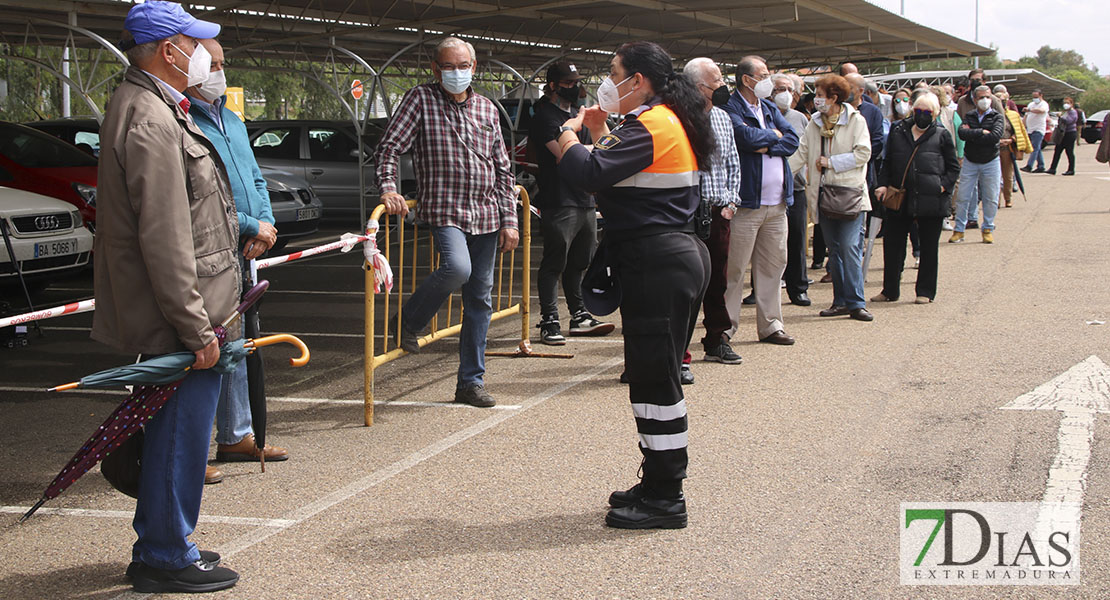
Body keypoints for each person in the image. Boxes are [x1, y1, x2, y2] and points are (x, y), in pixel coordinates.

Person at [94, 1, 240, 593]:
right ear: (166, 49)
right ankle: (163, 555)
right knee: (179, 436)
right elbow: (165, 236)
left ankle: (166, 538)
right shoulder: (150, 118)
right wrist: (196, 327)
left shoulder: (157, 106)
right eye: (194, 42)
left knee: (173, 435)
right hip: (178, 316)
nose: (204, 54)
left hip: (188, 308)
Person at [556, 41, 711, 529]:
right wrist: (600, 133)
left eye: (614, 73)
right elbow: (616, 174)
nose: (608, 82)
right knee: (651, 376)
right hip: (663, 258)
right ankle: (656, 482)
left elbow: (588, 172)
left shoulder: (653, 123)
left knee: (655, 381)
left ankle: (667, 496)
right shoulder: (661, 121)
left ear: (638, 81)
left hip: (658, 262)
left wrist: (568, 136)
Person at [374, 37, 520, 408]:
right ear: (436, 69)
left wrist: (510, 220)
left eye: (463, 66)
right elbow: (390, 147)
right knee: (456, 268)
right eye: (449, 67)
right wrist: (389, 188)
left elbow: (503, 170)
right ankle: (407, 321)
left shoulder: (487, 108)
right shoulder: (420, 100)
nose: (457, 73)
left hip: (486, 214)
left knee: (480, 300)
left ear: (475, 67)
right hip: (447, 208)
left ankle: (470, 383)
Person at [184, 38, 289, 484]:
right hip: (207, 248)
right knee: (200, 346)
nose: (221, 73)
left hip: (243, 247)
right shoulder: (185, 120)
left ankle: (236, 434)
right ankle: (187, 447)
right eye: (214, 64)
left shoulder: (230, 118)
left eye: (224, 63)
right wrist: (250, 225)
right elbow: (203, 197)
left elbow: (255, 178)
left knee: (237, 343)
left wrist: (264, 226)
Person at [530, 60, 614, 345]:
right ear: (552, 86)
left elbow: (589, 151)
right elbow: (564, 154)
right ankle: (549, 319)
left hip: (584, 198)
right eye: (568, 83)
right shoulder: (545, 117)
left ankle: (578, 314)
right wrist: (597, 148)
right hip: (559, 199)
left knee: (580, 260)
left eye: (576, 81)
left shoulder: (578, 116)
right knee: (555, 261)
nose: (575, 87)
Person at [721, 56, 799, 347]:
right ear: (746, 79)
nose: (769, 80)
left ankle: (771, 325)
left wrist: (767, 141)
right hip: (746, 204)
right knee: (735, 269)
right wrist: (771, 139)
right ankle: (725, 327)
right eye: (763, 75)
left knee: (772, 266)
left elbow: (792, 139)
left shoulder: (767, 107)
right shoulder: (730, 108)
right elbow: (743, 137)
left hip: (777, 204)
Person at [788, 74, 873, 322]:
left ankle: (856, 302)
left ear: (834, 97)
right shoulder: (814, 123)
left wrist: (831, 163)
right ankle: (840, 301)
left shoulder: (856, 121)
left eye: (821, 95)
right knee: (834, 250)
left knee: (849, 248)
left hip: (849, 195)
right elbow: (800, 154)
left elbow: (863, 153)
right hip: (823, 196)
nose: (817, 100)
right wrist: (777, 174)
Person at [683, 57, 743, 364]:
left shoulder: (722, 117)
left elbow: (733, 163)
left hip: (720, 212)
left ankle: (717, 338)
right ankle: (681, 348)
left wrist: (732, 203)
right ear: (697, 87)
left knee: (718, 279)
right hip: (688, 213)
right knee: (687, 282)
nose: (722, 86)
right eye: (716, 81)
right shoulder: (679, 118)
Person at [873, 92, 960, 305]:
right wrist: (882, 184)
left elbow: (953, 167)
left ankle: (925, 291)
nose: (922, 115)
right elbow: (888, 160)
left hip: (931, 199)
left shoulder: (941, 134)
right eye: (918, 111)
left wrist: (943, 186)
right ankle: (890, 290)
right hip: (900, 196)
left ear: (936, 113)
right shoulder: (898, 130)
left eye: (927, 112)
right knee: (893, 245)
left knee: (929, 247)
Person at [774, 73, 812, 306]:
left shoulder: (800, 119)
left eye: (789, 89)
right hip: (768, 189)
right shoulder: (762, 115)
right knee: (766, 244)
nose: (785, 93)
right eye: (779, 89)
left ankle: (798, 287)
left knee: (796, 238)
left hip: (796, 188)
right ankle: (761, 289)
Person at [951, 85, 1005, 244]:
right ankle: (959, 230)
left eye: (988, 97)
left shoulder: (996, 117)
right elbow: (962, 133)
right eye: (981, 97)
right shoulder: (969, 115)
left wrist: (973, 133)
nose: (985, 100)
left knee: (991, 196)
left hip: (991, 160)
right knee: (963, 196)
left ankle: (988, 228)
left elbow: (995, 136)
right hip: (970, 160)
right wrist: (981, 132)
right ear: (974, 99)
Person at [1047, 97, 1078, 176]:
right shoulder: (1066, 112)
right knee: (1057, 151)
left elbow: (1069, 121)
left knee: (1069, 152)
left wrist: (1060, 117)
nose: (1065, 105)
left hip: (1070, 134)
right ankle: (1052, 168)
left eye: (1067, 103)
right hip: (1062, 134)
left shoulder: (1073, 112)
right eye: (1064, 103)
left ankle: (1071, 169)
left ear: (1071, 104)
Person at [1021, 89, 1050, 173]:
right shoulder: (1031, 104)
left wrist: (1030, 110)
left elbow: (1041, 111)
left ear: (1041, 95)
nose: (1034, 99)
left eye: (1036, 97)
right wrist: (1022, 126)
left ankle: (1029, 165)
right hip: (1030, 129)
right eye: (1033, 97)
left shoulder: (1044, 104)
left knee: (1034, 148)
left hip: (1039, 129)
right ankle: (1041, 166)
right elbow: (1026, 116)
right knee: (1037, 149)